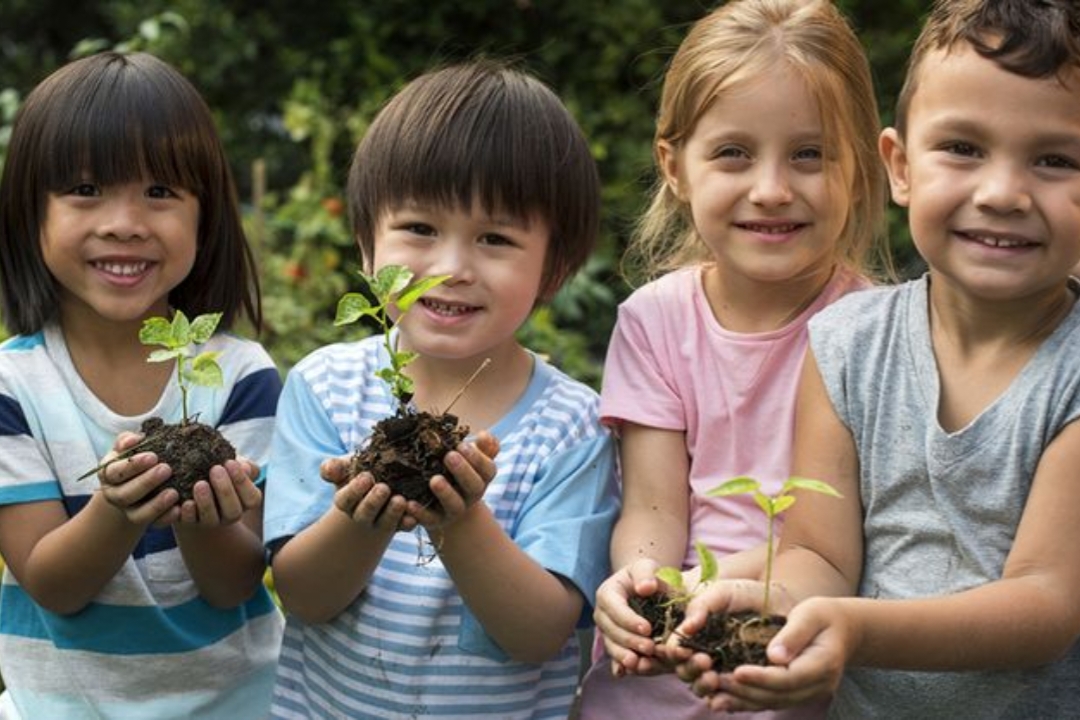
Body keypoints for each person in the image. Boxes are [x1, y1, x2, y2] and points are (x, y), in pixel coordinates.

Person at [669, 0, 1080, 717]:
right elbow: (819, 558)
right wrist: (750, 599)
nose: (1003, 194)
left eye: (1055, 160)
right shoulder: (847, 342)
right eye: (963, 148)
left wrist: (853, 628)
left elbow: (1045, 604)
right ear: (899, 167)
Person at [262, 59, 619, 719]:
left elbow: (540, 634)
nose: (451, 269)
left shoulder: (574, 428)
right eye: (420, 230)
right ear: (367, 246)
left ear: (555, 267)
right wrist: (360, 515)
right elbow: (303, 595)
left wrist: (460, 518)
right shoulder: (325, 387)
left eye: (495, 238)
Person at [574, 0, 888, 718]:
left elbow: (827, 552)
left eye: (809, 154)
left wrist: (701, 593)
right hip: (655, 674)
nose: (772, 188)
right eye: (733, 153)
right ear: (675, 166)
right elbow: (654, 506)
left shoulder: (875, 331)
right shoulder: (655, 320)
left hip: (790, 665)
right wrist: (641, 583)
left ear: (863, 168)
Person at [0, 52, 283, 718]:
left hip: (234, 703)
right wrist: (120, 506)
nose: (125, 221)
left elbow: (234, 581)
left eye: (160, 193)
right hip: (61, 707)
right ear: (29, 213)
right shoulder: (14, 385)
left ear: (205, 216)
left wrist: (203, 519)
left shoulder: (240, 375)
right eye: (86, 190)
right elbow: (51, 583)